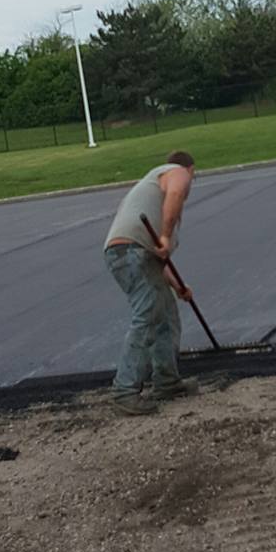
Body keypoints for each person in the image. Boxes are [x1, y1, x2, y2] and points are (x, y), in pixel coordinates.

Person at [103, 150, 198, 415]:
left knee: (165, 312)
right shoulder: (177, 172)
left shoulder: (153, 198)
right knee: (147, 314)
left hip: (134, 255)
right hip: (129, 252)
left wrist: (179, 287)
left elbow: (158, 263)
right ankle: (124, 391)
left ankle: (167, 382)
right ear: (191, 170)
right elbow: (176, 191)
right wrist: (166, 236)